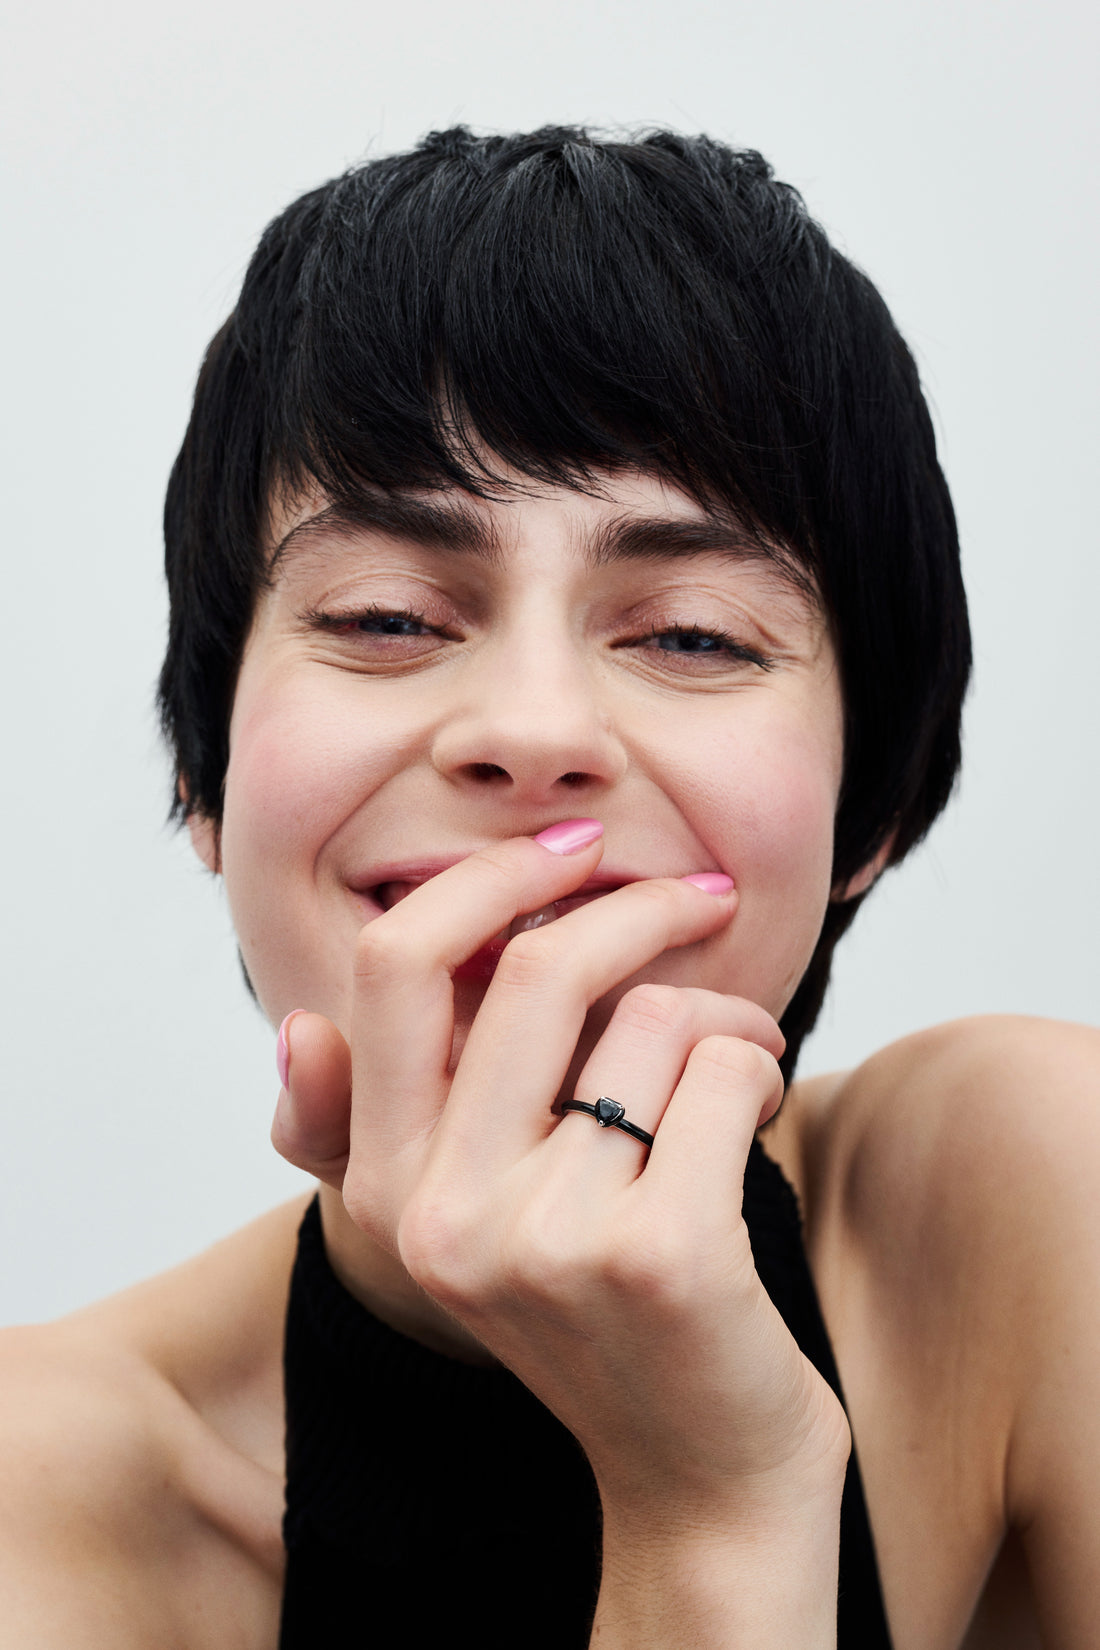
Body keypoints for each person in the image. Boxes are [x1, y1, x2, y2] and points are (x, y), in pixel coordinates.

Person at [1, 124, 1097, 1648]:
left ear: (874, 816)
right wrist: (699, 1510)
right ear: (204, 777)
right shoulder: (29, 1504)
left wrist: (724, 1481)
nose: (533, 732)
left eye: (696, 634)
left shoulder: (1038, 1204)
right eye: (385, 613)